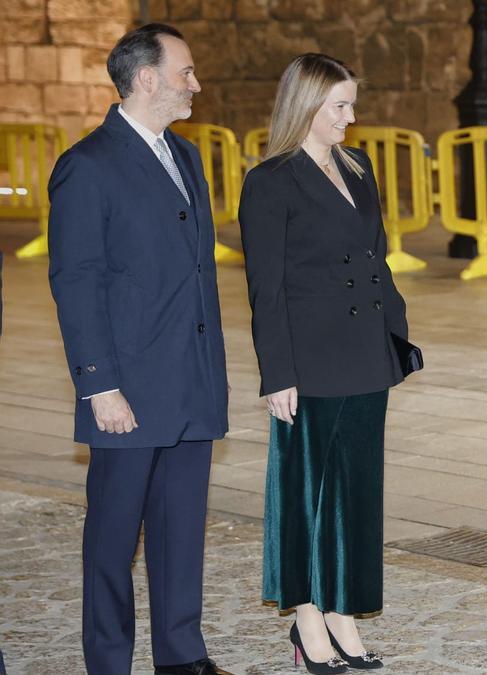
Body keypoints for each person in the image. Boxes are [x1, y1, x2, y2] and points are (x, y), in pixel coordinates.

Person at [47, 23, 231, 675]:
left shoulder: (184, 157)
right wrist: (99, 384)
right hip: (126, 388)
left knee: (182, 530)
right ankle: (108, 661)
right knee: (113, 539)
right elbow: (76, 280)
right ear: (146, 78)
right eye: (186, 72)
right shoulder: (88, 165)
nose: (196, 85)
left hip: (189, 379)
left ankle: (182, 655)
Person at [239, 53, 412, 674]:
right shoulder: (270, 180)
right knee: (303, 493)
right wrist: (276, 372)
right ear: (306, 106)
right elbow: (266, 288)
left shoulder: (359, 166)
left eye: (351, 103)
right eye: (340, 105)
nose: (351, 116)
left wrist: (396, 332)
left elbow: (378, 255)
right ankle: (306, 615)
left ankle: (344, 609)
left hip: (366, 351)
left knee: (357, 490)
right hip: (308, 359)